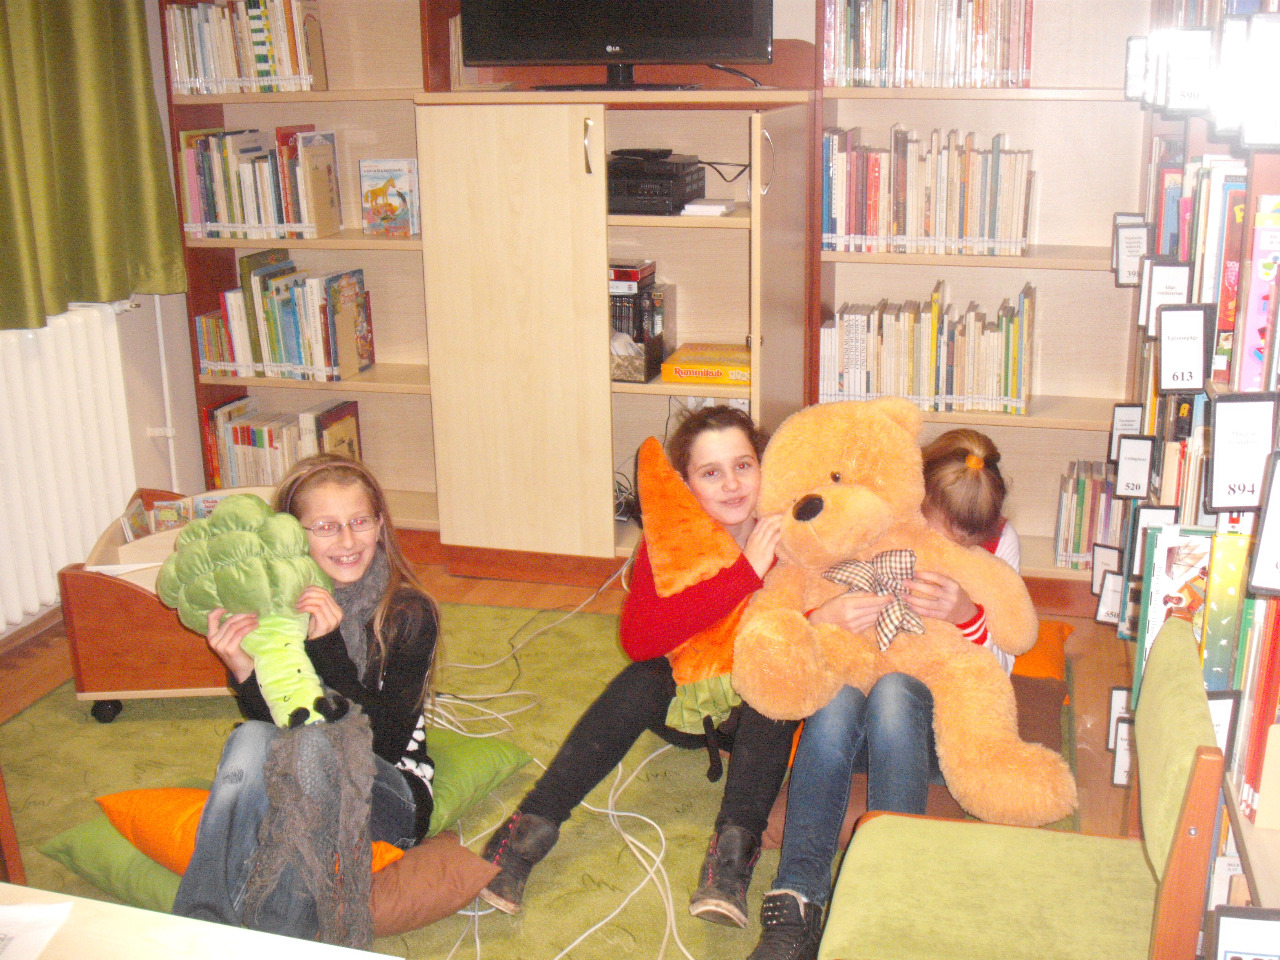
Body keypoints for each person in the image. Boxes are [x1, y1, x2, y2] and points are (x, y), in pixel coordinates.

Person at [479, 405, 797, 929]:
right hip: (690, 709)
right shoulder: (671, 542)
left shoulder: (792, 535)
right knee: (642, 679)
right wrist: (744, 575)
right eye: (710, 473)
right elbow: (639, 640)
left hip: (757, 718)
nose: (731, 484)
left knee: (778, 683)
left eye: (743, 465)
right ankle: (527, 831)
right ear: (685, 487)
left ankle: (731, 861)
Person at [744, 428, 1021, 960]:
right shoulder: (875, 518)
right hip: (852, 723)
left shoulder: (999, 547)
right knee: (838, 697)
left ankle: (887, 887)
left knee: (895, 691)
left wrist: (968, 616)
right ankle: (797, 896)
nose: (949, 548)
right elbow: (794, 606)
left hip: (932, 735)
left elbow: (1001, 671)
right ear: (915, 498)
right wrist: (823, 617)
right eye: (938, 529)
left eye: (966, 540)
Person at [172, 454, 440, 940]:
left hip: (388, 791)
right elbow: (280, 724)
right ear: (291, 538)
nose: (347, 541)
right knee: (251, 737)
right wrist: (245, 672)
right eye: (325, 527)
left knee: (314, 744)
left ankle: (284, 936)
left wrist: (326, 647)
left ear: (380, 526)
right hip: (303, 769)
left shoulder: (409, 614)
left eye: (360, 522)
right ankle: (201, 927)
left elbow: (379, 745)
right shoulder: (275, 607)